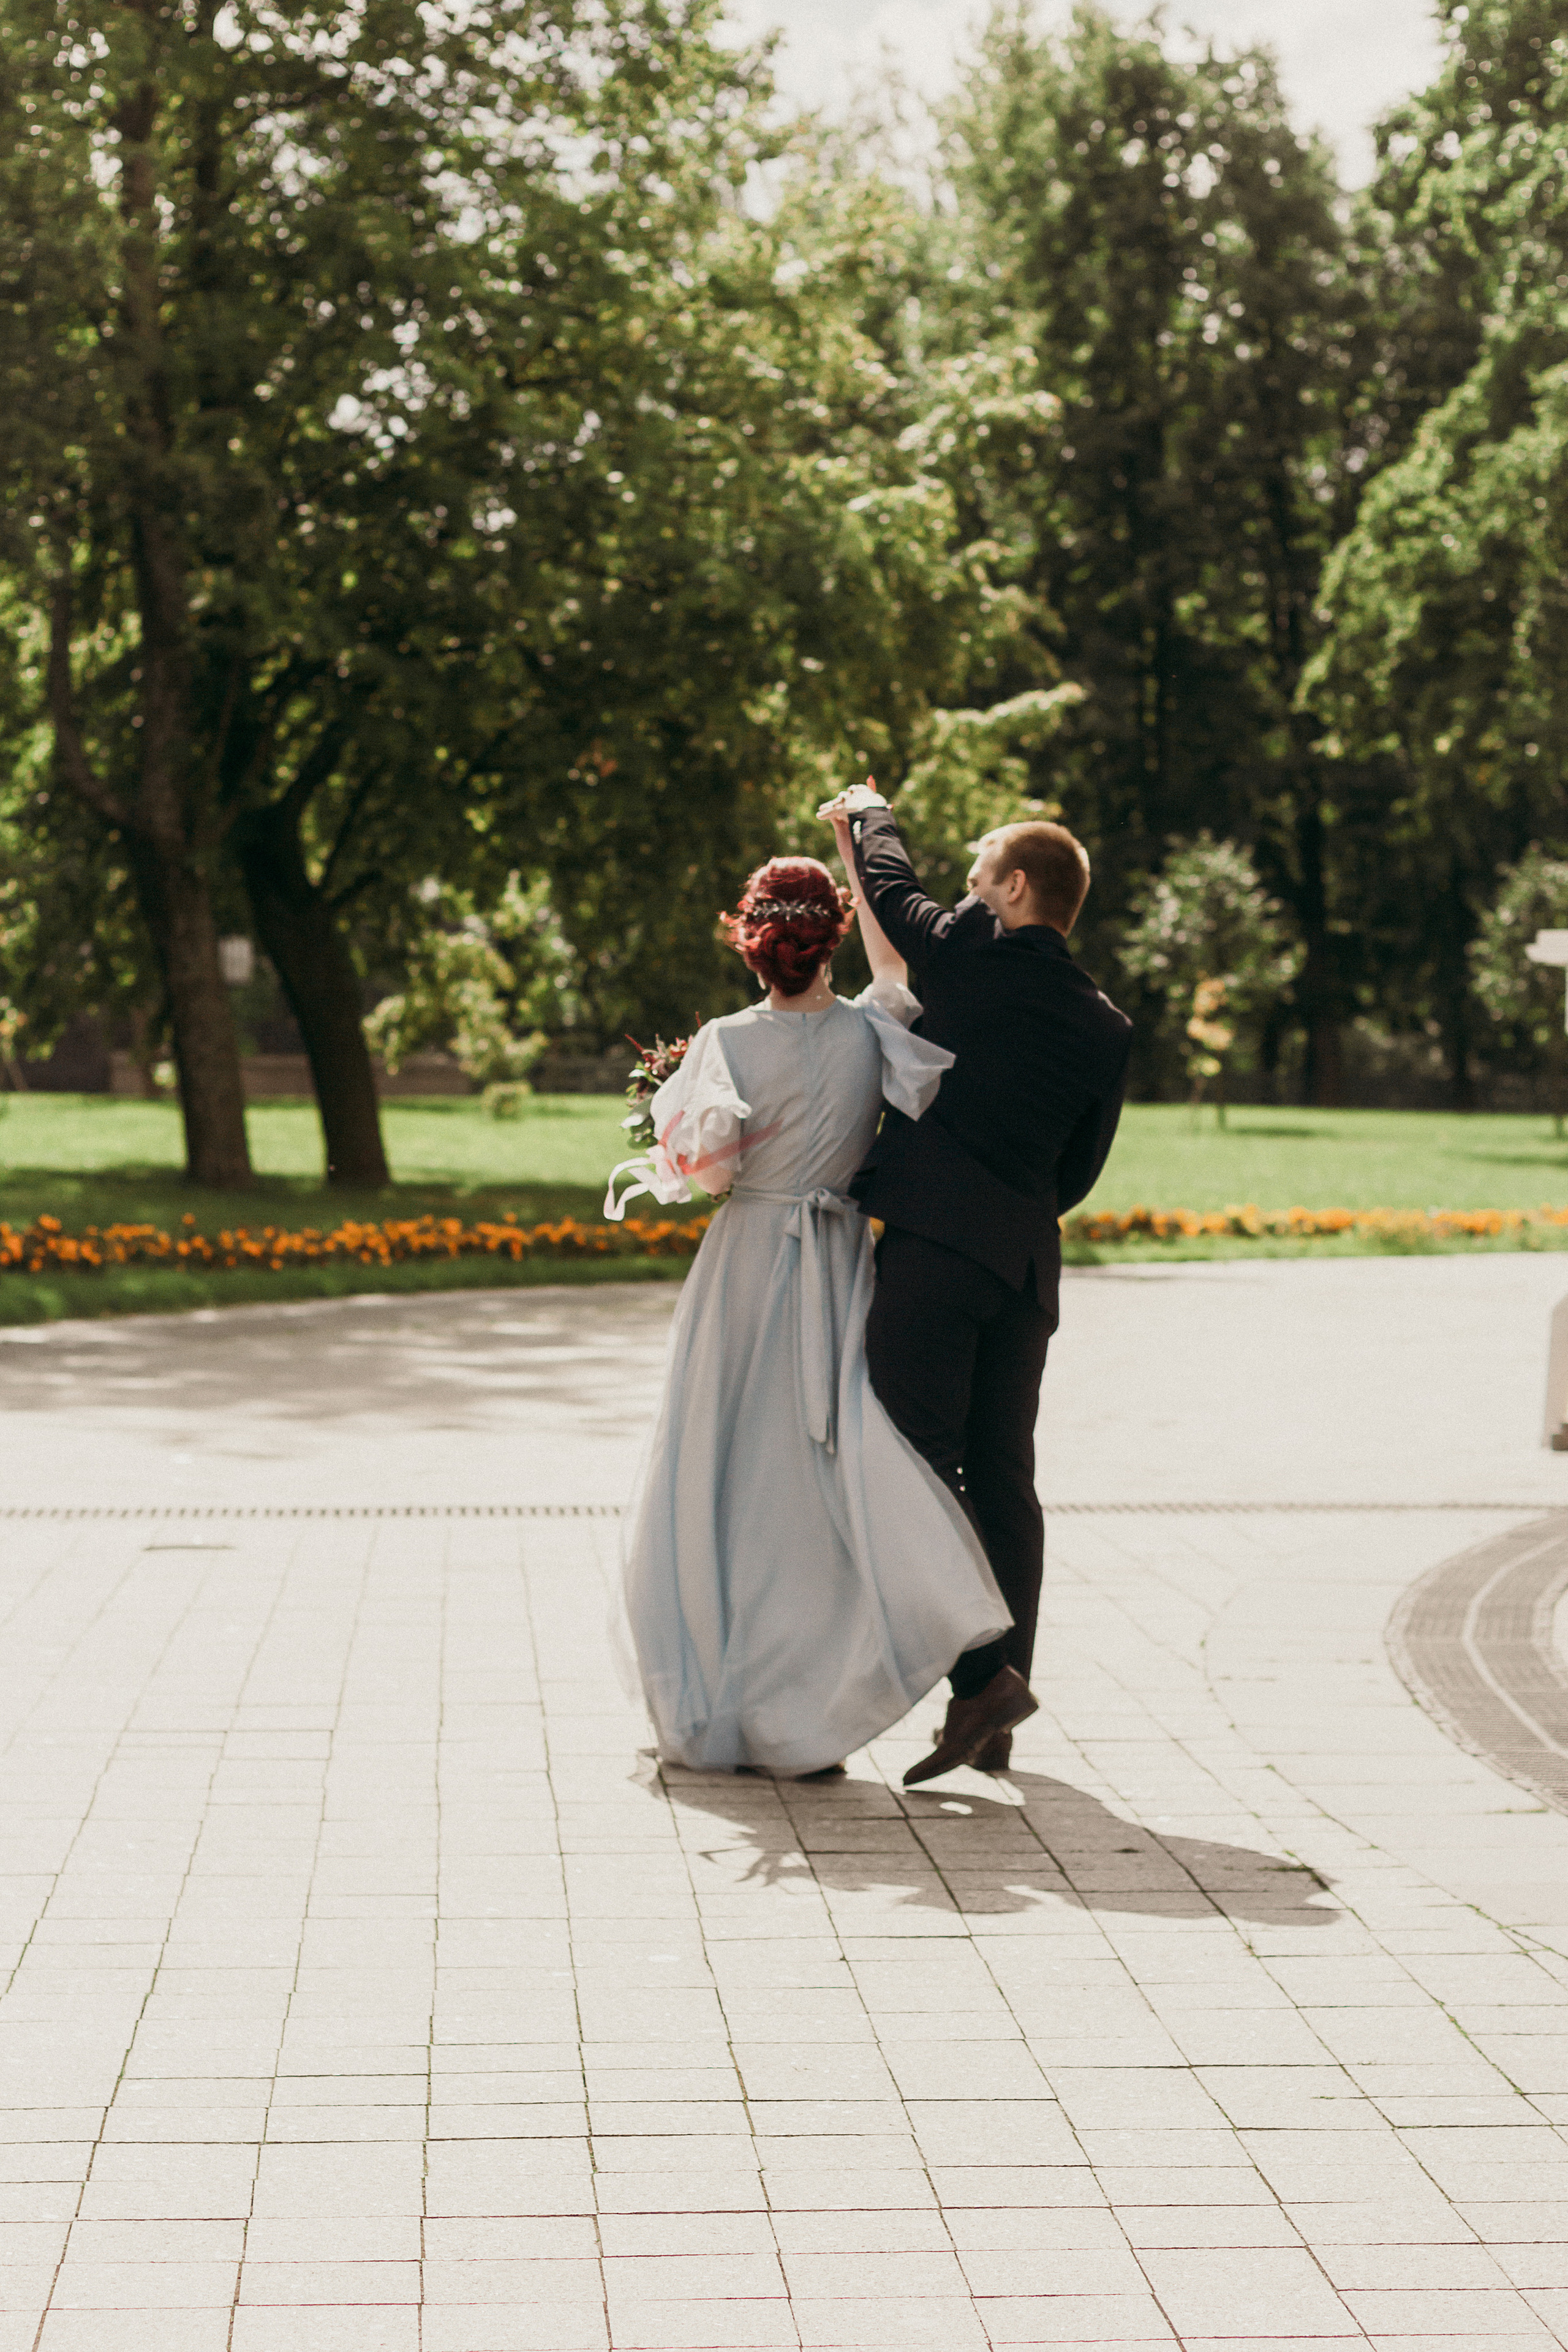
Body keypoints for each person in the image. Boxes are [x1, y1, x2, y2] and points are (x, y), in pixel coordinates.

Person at [605, 854, 1011, 1778]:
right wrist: (859, 870)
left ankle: (729, 1695)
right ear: (828, 940)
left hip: (746, 1269)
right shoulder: (874, 1030)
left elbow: (709, 1176)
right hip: (836, 1266)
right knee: (818, 1477)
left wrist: (678, 1145)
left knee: (719, 1467)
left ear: (755, 947)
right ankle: (811, 1708)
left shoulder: (725, 1042)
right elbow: (898, 976)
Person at [819, 783, 1133, 1785]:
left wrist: (867, 813)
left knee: (908, 1462)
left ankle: (983, 1676)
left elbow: (894, 890)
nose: (964, 889)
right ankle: (997, 1709)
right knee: (1004, 1477)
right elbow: (1080, 1169)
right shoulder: (1102, 1022)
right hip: (1025, 1265)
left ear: (1015, 888)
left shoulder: (973, 949)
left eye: (979, 875)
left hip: (938, 1251)